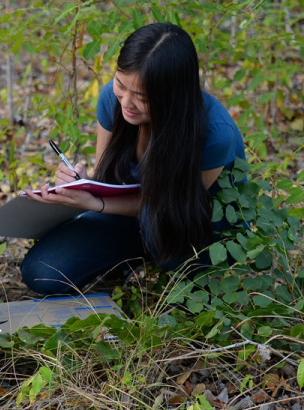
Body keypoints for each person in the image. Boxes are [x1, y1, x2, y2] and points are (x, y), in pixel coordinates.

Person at [21, 23, 246, 295]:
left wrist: (97, 203)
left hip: (191, 223)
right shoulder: (113, 101)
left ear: (173, 95)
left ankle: (186, 275)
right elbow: (107, 178)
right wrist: (81, 185)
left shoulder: (214, 133)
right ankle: (131, 258)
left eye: (141, 97)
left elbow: (171, 205)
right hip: (131, 215)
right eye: (120, 84)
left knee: (157, 226)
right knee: (42, 272)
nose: (126, 102)